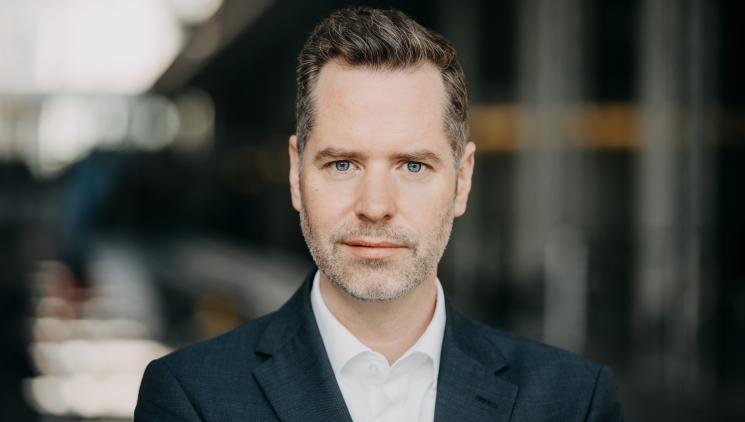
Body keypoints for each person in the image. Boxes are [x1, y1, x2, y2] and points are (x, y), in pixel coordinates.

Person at [135, 7, 622, 421]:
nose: (375, 207)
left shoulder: (574, 402)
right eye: (342, 164)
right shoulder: (190, 398)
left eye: (413, 166)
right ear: (296, 174)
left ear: (462, 180)